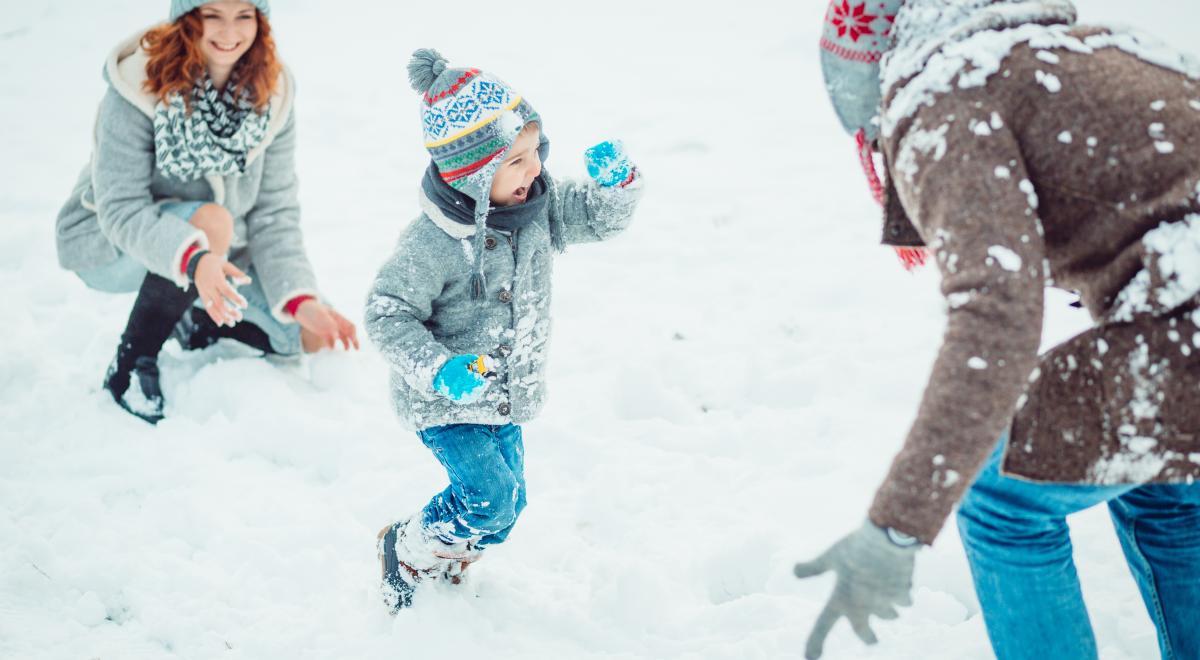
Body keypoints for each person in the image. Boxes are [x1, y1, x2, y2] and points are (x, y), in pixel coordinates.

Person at [796, 1, 1200, 658]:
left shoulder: (946, 95)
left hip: (1184, 329)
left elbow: (995, 315)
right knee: (1164, 484)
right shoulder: (1105, 47)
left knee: (1003, 500)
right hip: (1182, 322)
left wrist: (895, 526)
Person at [366, 49, 643, 612]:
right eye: (514, 162)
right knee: (489, 499)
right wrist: (438, 369)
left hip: (505, 396)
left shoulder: (536, 211)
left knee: (508, 508)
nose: (534, 170)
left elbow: (592, 217)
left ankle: (448, 553)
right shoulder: (432, 243)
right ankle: (410, 547)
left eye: (535, 153)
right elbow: (386, 311)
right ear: (472, 175)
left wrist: (616, 189)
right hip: (444, 403)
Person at [55, 0, 358, 425]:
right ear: (187, 18)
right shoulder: (136, 87)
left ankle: (191, 319)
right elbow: (120, 209)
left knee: (302, 333)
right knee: (211, 222)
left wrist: (301, 298)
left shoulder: (273, 94)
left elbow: (274, 214)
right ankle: (131, 363)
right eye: (212, 14)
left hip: (217, 247)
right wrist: (195, 260)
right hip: (109, 241)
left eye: (244, 15)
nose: (229, 31)